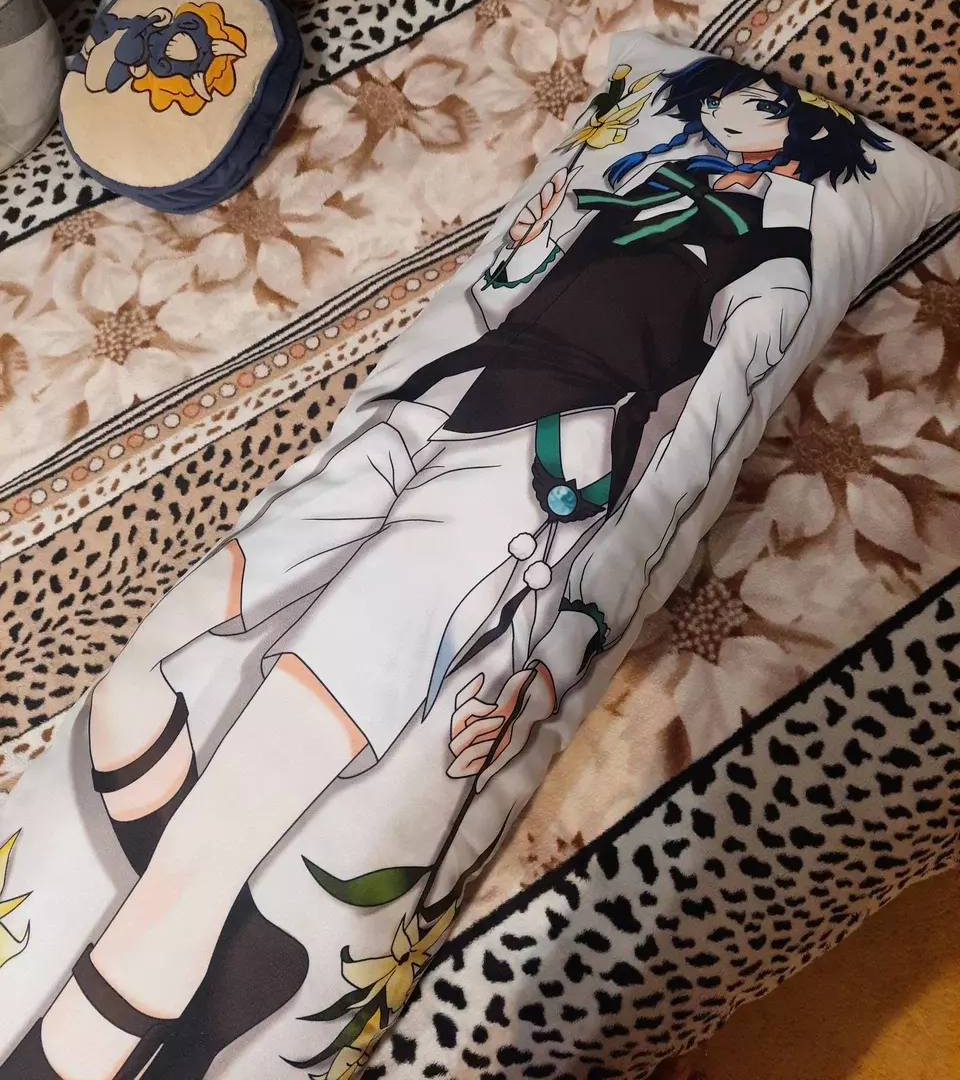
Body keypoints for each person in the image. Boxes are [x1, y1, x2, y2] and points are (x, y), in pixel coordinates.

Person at [1, 59, 890, 1079]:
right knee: (142, 689)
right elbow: (504, 297)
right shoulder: (633, 186)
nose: (744, 106)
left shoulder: (774, 266)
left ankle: (124, 1002)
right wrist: (539, 235)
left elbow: (698, 442)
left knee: (247, 788)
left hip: (527, 473)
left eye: (774, 112)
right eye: (735, 97)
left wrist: (555, 643)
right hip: (430, 408)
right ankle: (231, 951)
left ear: (799, 149)